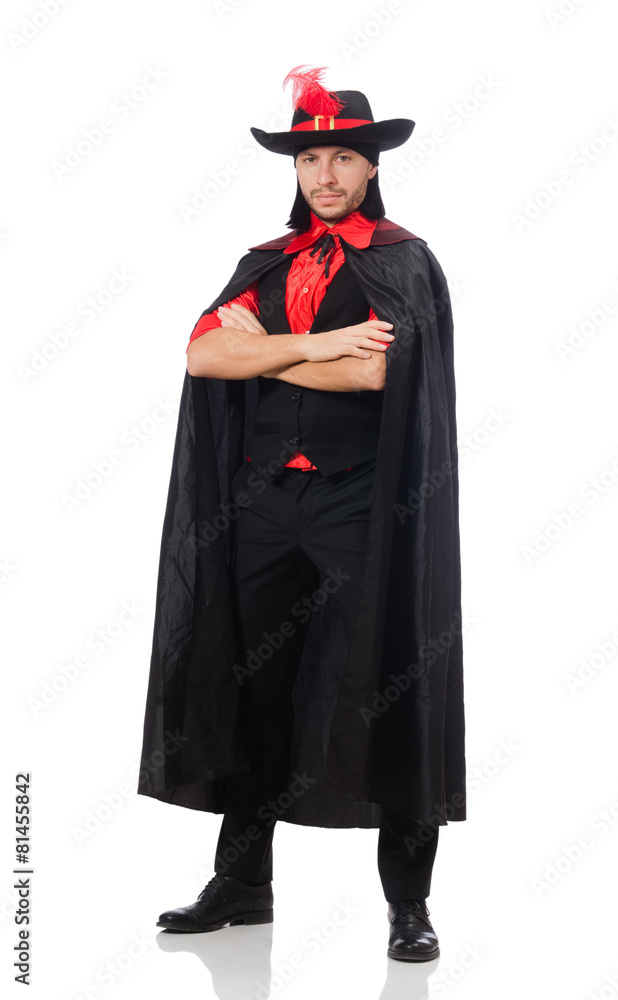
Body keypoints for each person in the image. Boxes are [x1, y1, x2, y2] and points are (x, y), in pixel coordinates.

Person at [138, 65, 466, 962]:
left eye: (343, 159)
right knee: (250, 680)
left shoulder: (402, 260)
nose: (325, 175)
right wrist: (318, 345)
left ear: (370, 166)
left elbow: (376, 373)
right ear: (295, 168)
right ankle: (243, 884)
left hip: (361, 500)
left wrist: (269, 351)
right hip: (263, 501)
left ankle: (408, 903)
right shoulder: (267, 261)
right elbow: (204, 357)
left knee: (390, 676)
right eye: (310, 159)